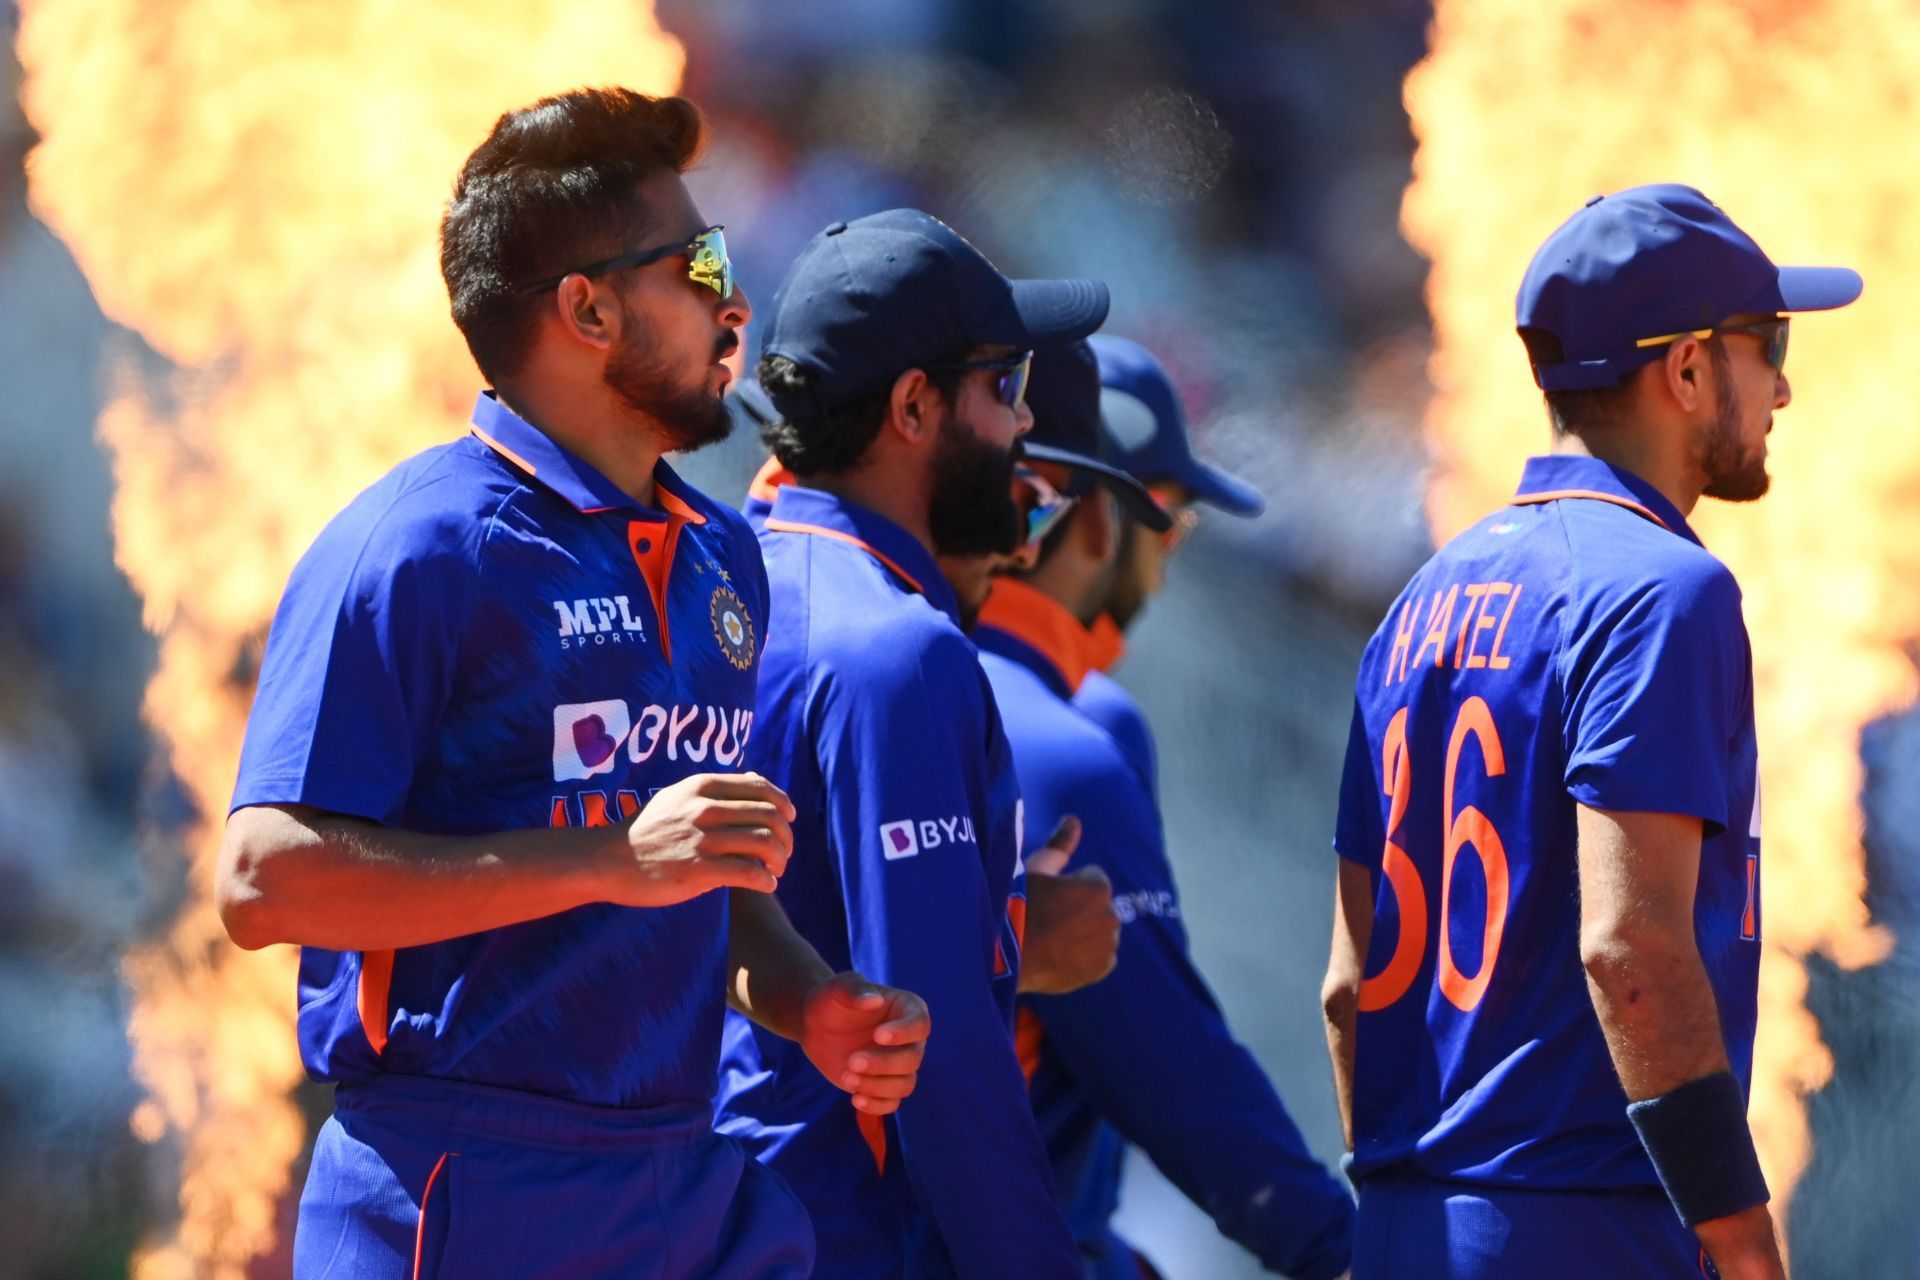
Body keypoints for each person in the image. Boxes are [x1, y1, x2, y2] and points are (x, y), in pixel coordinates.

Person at [216, 88, 930, 1279]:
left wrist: (809, 999)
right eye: (697, 262)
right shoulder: (422, 543)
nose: (733, 299)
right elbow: (259, 879)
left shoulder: (721, 551)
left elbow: (695, 873)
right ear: (587, 308)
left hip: (680, 1175)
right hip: (461, 1186)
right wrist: (610, 859)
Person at [1321, 183, 1861, 1280]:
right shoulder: (1665, 589)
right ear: (1690, 368)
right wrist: (1740, 1236)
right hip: (1583, 1231)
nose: (1786, 385)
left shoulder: (1424, 593)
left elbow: (1348, 982)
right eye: (1769, 342)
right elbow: (1631, 948)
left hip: (1402, 1222)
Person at [714, 208, 1123, 1280]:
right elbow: (938, 1057)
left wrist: (1004, 918)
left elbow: (797, 914)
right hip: (843, 1238)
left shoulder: (719, 581)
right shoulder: (897, 647)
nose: (1027, 418)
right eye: (1003, 384)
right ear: (910, 406)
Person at [975, 341, 1355, 1280]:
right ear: (1100, 516)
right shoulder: (1060, 744)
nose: (1167, 567)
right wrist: (1345, 1251)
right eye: (1172, 525)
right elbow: (1171, 1073)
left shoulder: (881, 669)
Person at [1070, 333, 1270, 798]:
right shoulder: (1096, 729)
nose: (1159, 579)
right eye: (1166, 524)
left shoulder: (950, 652)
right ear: (1106, 512)